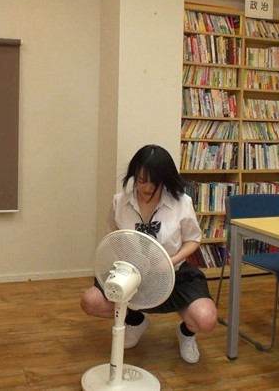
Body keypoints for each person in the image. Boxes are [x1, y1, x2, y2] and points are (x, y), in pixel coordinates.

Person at [80, 144, 217, 363]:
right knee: (90, 301)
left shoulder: (182, 203)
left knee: (206, 319)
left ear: (165, 179)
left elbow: (193, 239)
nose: (146, 187)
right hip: (131, 273)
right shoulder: (119, 202)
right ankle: (135, 320)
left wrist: (171, 261)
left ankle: (186, 333)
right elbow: (114, 237)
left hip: (173, 273)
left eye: (154, 182)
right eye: (141, 180)